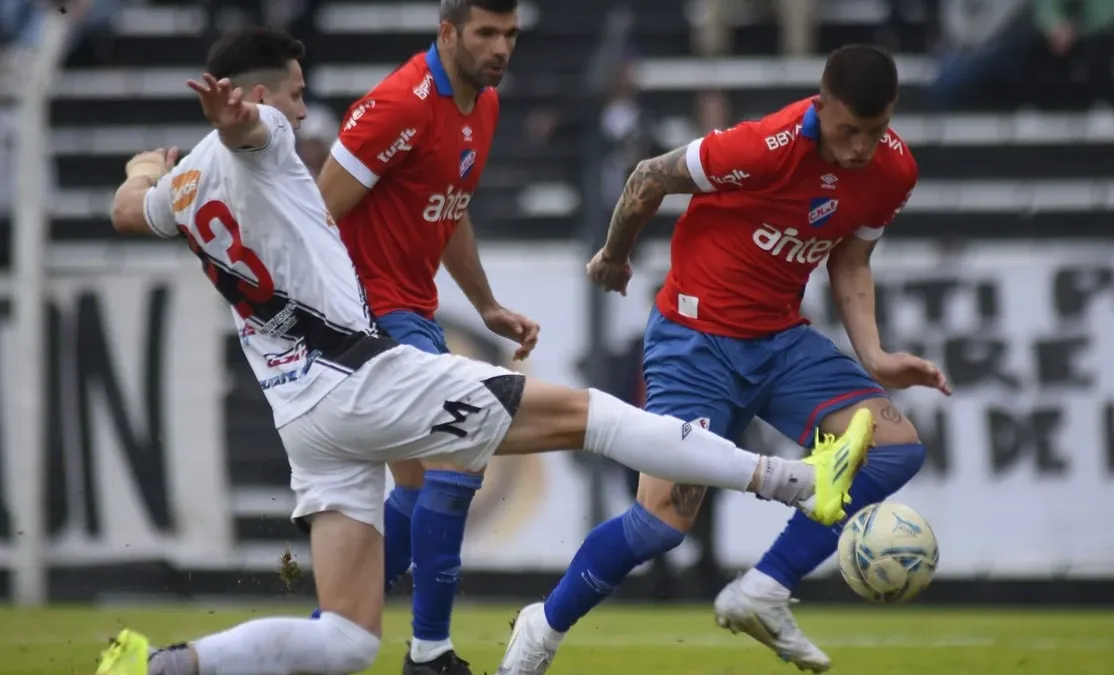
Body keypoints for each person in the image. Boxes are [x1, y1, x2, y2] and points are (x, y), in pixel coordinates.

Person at [94, 26, 872, 675]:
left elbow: (129, 209)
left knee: (347, 638)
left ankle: (163, 666)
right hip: (364, 379)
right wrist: (240, 123)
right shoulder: (262, 138)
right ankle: (796, 479)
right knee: (590, 415)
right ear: (259, 95)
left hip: (302, 414)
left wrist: (146, 165)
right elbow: (252, 130)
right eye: (295, 94)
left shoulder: (186, 182)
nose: (303, 110)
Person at [498, 44, 952, 675]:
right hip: (696, 340)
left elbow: (850, 258)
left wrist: (873, 355)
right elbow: (648, 177)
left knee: (897, 447)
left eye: (874, 133)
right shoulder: (763, 147)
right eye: (848, 130)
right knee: (661, 524)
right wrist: (614, 256)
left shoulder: (893, 171)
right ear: (821, 106)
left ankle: (764, 588)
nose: (859, 148)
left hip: (780, 341)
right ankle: (541, 628)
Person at [314, 1, 535, 673]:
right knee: (458, 457)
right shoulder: (396, 106)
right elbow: (318, 214)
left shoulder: (483, 107)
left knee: (418, 488)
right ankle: (429, 651)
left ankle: (323, 637)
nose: (500, 48)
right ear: (447, 32)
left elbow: (450, 210)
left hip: (413, 308)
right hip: (372, 314)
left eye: (510, 35)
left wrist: (487, 304)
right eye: (485, 34)